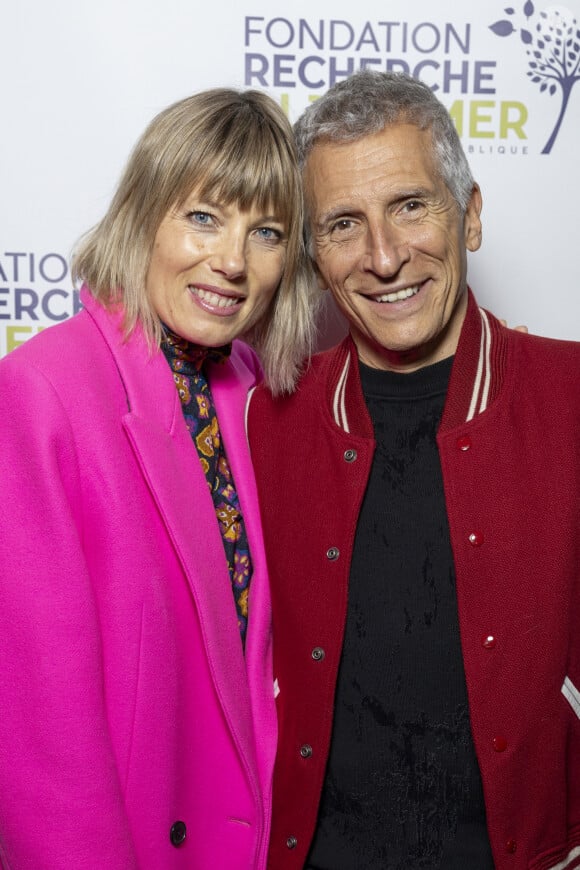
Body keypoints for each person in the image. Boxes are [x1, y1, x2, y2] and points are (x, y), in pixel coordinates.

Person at [247, 70, 580, 870]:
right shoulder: (265, 423)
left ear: (467, 215)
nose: (385, 257)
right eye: (343, 225)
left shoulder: (572, 397)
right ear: (313, 254)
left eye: (410, 206)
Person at [0, 87, 317, 869]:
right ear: (143, 216)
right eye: (204, 217)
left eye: (266, 232)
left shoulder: (252, 386)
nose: (233, 261)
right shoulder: (41, 392)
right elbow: (45, 737)